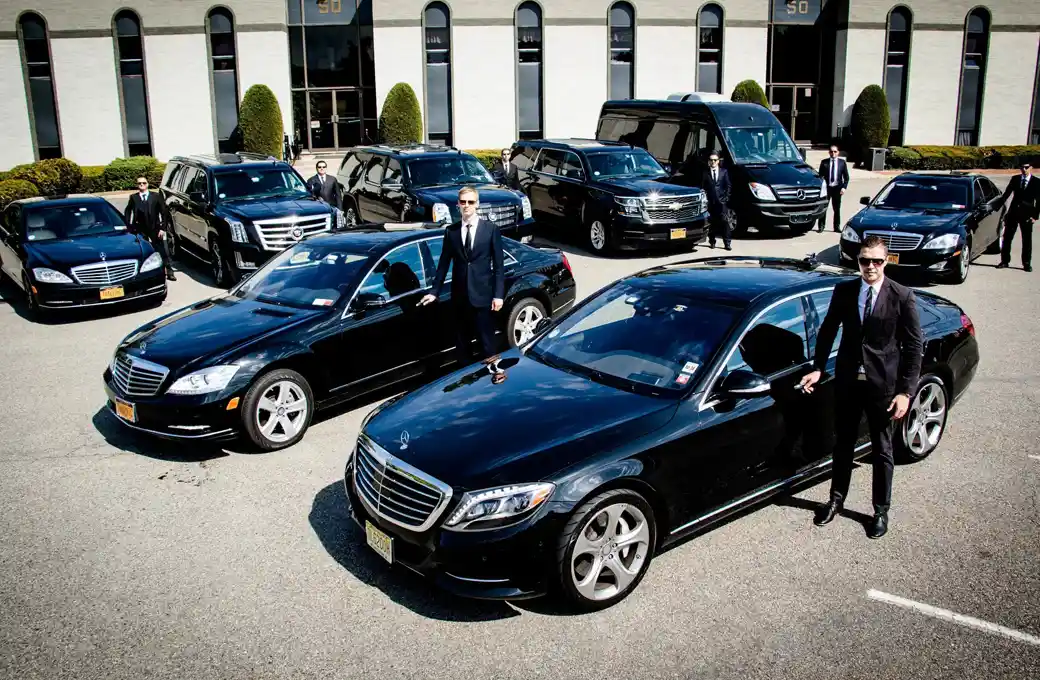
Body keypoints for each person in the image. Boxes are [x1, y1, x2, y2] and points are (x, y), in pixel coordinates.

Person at [798, 234, 923, 539]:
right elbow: (828, 330)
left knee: (882, 449)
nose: (870, 267)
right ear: (858, 261)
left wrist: (905, 392)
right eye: (865, 260)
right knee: (843, 443)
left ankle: (880, 511)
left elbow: (913, 346)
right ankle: (836, 500)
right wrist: (818, 367)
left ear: (886, 261)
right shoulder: (845, 291)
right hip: (848, 381)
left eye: (877, 261)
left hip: (883, 385)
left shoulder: (902, 296)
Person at [419, 186, 505, 363]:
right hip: (460, 298)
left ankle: (495, 374)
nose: (466, 205)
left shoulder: (490, 230)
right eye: (463, 202)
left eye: (470, 202)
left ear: (477, 204)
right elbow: (443, 264)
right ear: (458, 204)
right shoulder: (451, 232)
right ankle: (467, 376)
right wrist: (434, 292)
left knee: (487, 343)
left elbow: (498, 266)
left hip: (483, 297)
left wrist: (498, 295)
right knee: (462, 345)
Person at [123, 176, 176, 281]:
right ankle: (145, 274)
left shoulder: (156, 196)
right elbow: (128, 211)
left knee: (161, 250)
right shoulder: (134, 198)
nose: (141, 185)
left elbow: (164, 213)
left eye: (143, 183)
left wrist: (163, 228)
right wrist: (129, 225)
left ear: (147, 184)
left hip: (155, 227)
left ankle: (169, 271)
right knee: (143, 250)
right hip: (140, 228)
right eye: (139, 183)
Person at [996, 162, 1039, 272]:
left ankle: (1026, 263)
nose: (1024, 169)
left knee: (1027, 240)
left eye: (1026, 167)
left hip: (1027, 214)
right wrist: (996, 207)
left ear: (1031, 168)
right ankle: (1005, 261)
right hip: (1013, 213)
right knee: (1007, 238)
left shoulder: (1036, 182)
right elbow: (1007, 194)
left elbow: (1039, 201)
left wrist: (1035, 216)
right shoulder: (1015, 179)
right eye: (1022, 167)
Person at [702, 152, 732, 250]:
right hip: (710, 202)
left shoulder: (724, 172)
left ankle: (727, 243)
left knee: (725, 222)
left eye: (715, 160)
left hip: (721, 202)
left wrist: (726, 198)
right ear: (708, 161)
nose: (713, 162)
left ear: (718, 161)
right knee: (711, 222)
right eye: (711, 160)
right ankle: (712, 241)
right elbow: (703, 187)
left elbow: (728, 186)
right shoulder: (705, 173)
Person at [818, 144, 849, 233]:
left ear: (838, 152)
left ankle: (836, 227)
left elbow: (846, 177)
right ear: (829, 152)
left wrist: (844, 188)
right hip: (827, 189)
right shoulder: (824, 162)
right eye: (831, 151)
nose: (833, 153)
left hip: (837, 189)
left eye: (835, 151)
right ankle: (821, 226)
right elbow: (820, 176)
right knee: (824, 208)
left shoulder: (842, 163)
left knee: (837, 209)